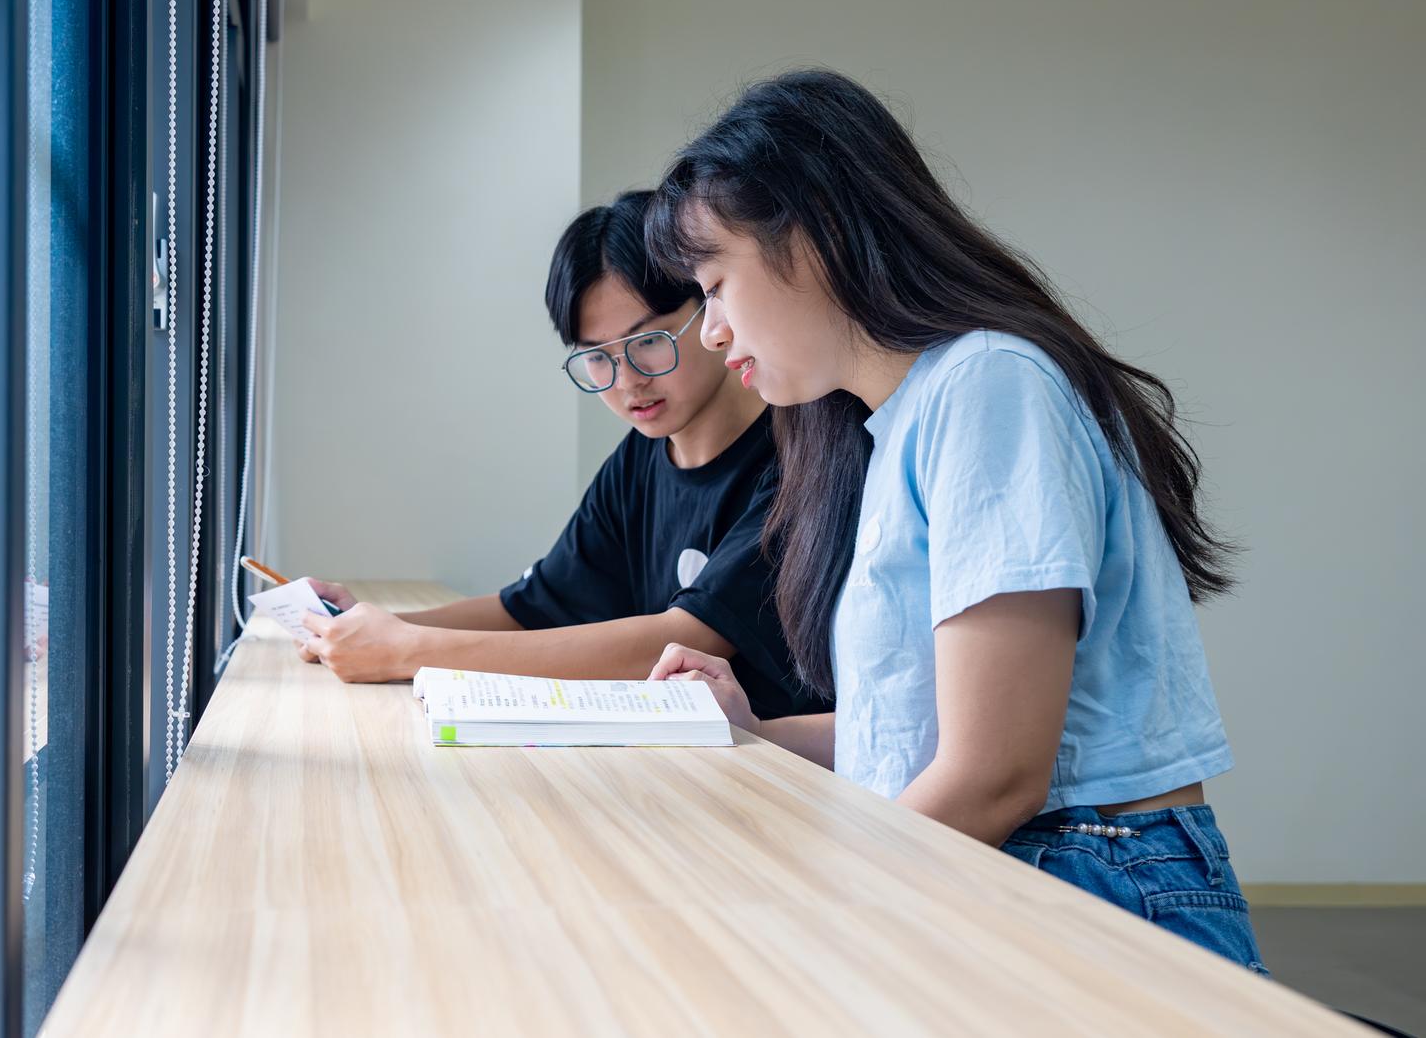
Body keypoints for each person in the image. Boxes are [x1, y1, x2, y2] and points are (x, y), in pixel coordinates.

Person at [642, 68, 1264, 971]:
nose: (709, 331)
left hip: (1091, 882)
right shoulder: (902, 424)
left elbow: (995, 773)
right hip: (1022, 864)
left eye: (715, 285)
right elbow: (934, 735)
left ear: (810, 241)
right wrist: (753, 731)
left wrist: (811, 912)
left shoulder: (990, 386)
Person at [301, 190, 817, 721]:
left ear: (710, 310)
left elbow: (681, 639)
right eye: (597, 357)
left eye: (648, 341)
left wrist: (406, 649)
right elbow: (533, 608)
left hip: (772, 776)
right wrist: (372, 625)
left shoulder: (800, 457)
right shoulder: (639, 459)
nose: (629, 381)